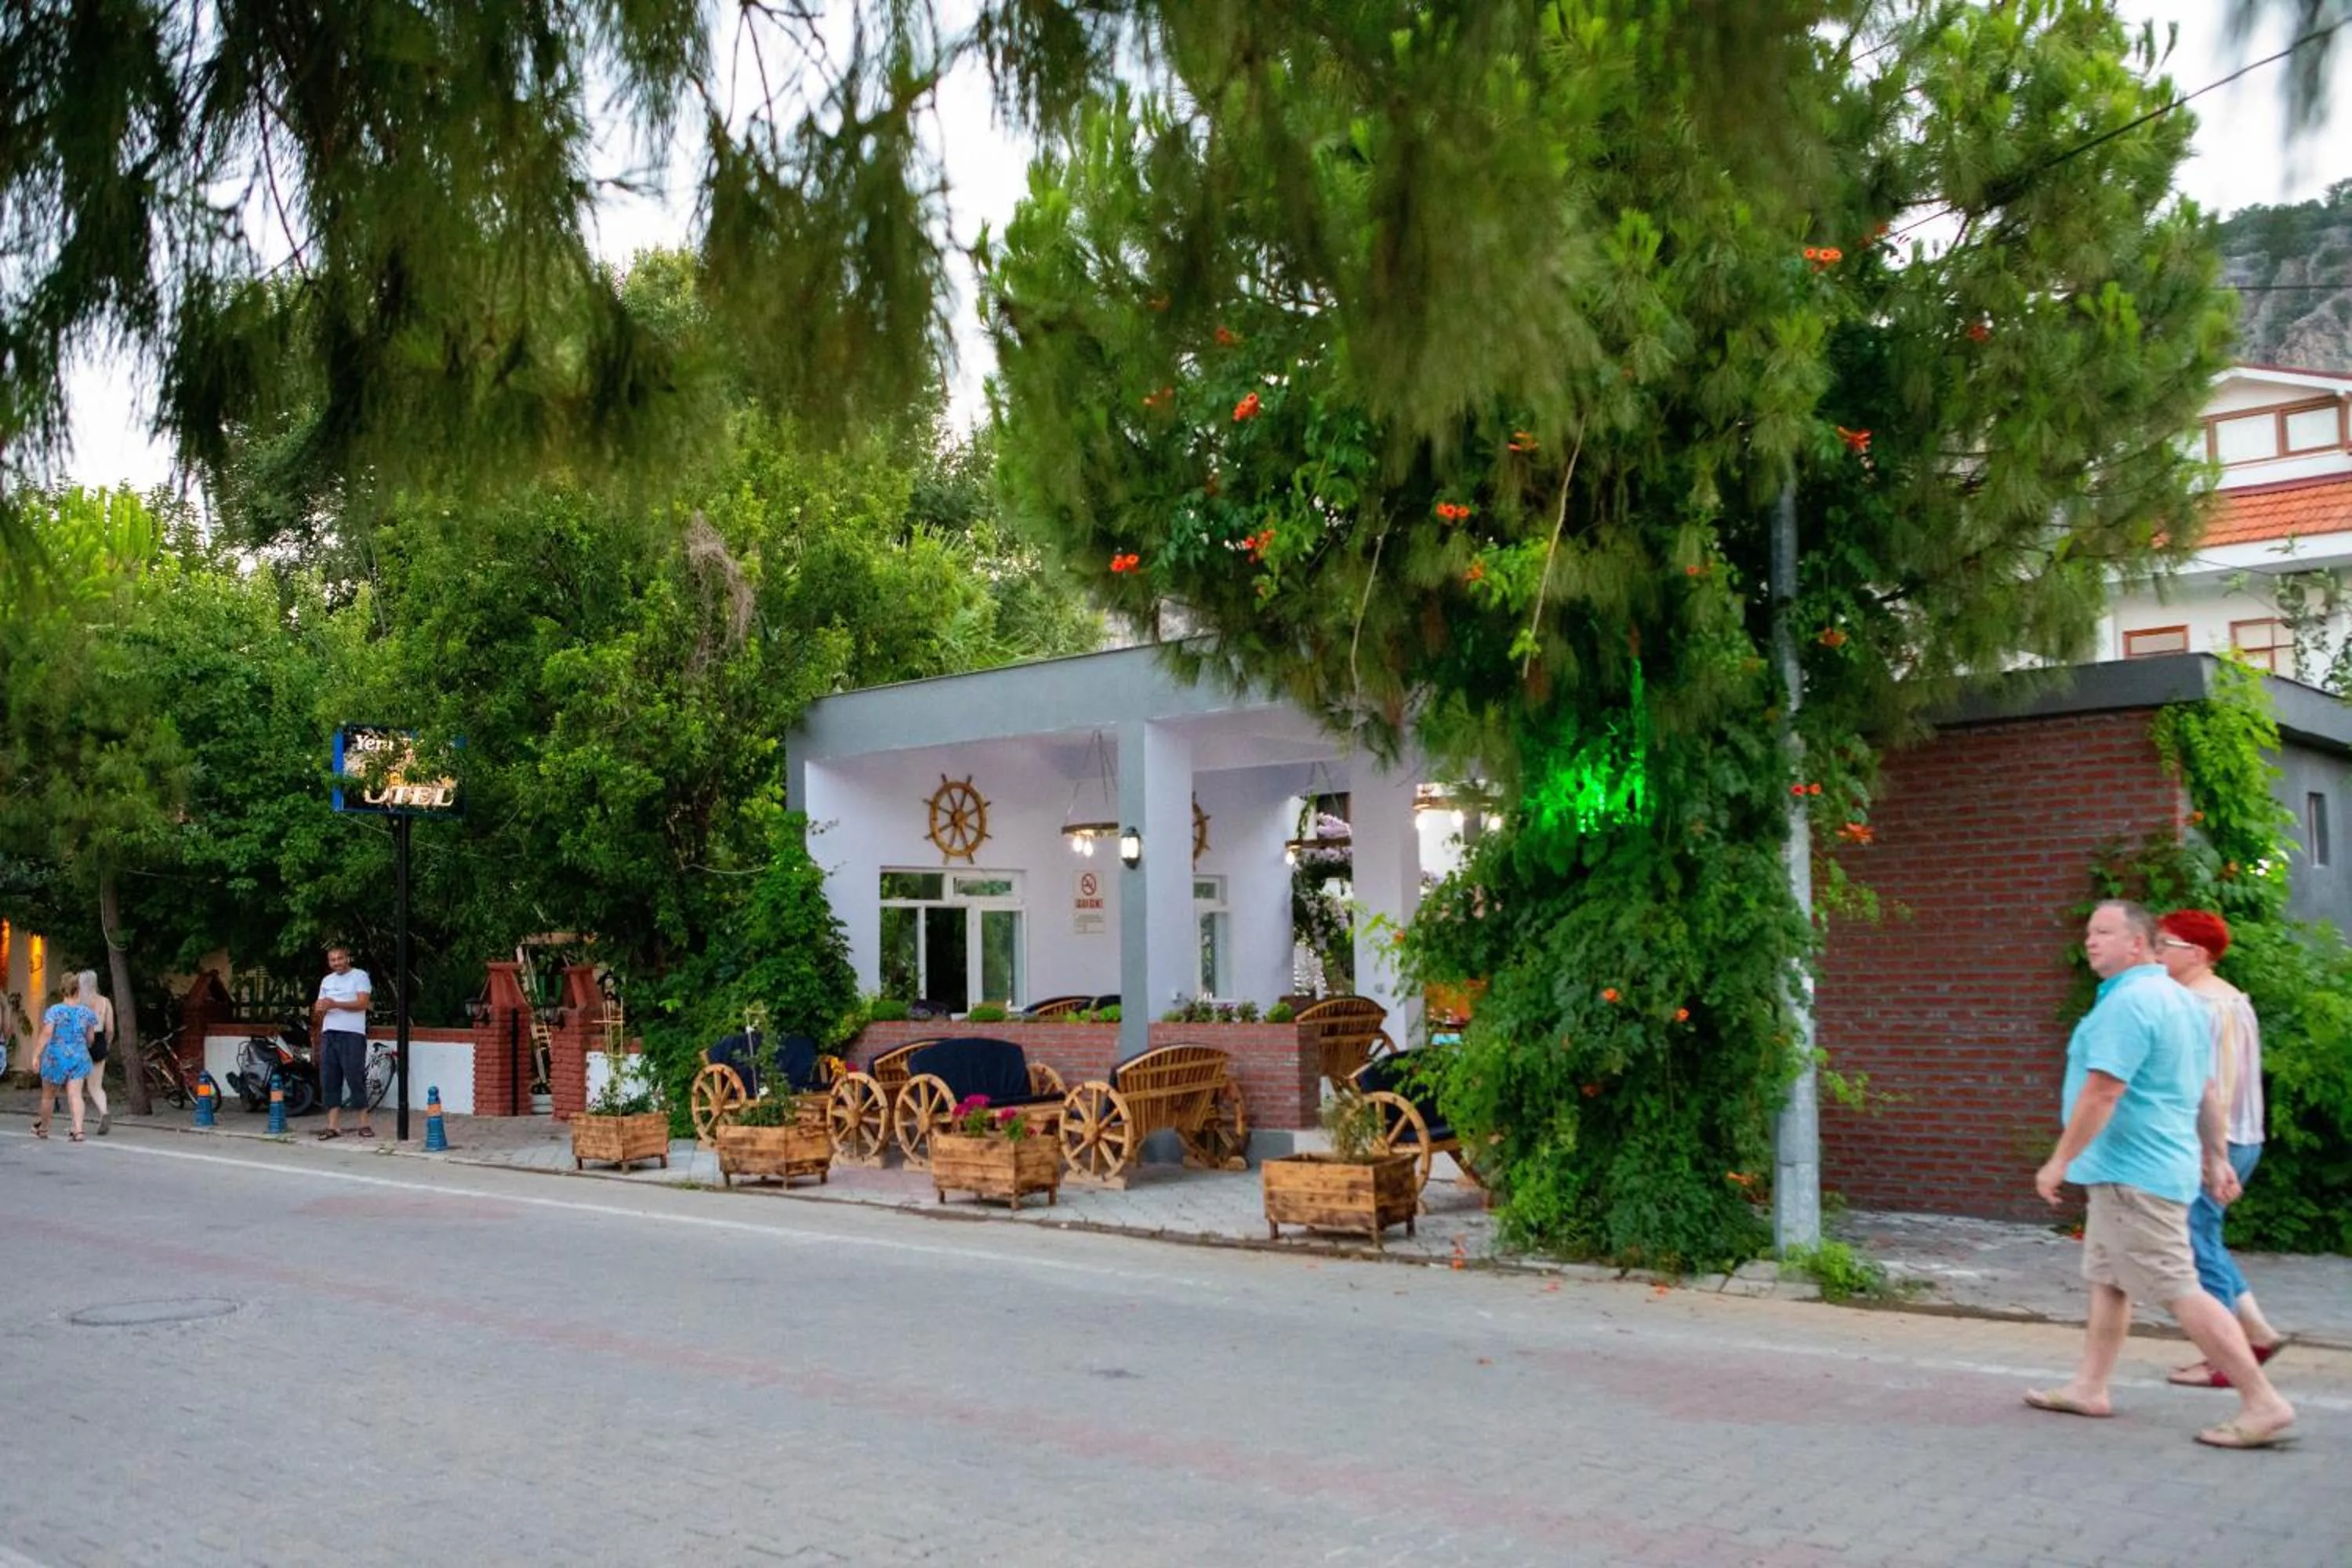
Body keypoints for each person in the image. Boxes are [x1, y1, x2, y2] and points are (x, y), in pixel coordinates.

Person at [2025, 899, 2294, 1449]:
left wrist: (2060, 1160)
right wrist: (2216, 1157)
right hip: (2145, 1169)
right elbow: (2207, 1090)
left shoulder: (2131, 1004)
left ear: (2138, 945)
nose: (2090, 941)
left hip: (2135, 1174)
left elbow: (2104, 1091)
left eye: (2104, 932)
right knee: (2109, 1279)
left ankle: (2262, 1401)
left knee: (2179, 1287)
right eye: (2089, 932)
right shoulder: (2182, 1001)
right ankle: (2090, 1387)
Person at [2154, 909, 2285, 1387]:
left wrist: (2213, 1153)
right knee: (2203, 1238)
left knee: (2195, 1244)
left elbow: (2213, 1086)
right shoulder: (2230, 999)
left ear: (2199, 953)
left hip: (2215, 1140)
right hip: (2240, 1136)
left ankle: (2226, 1358)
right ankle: (2256, 1330)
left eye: (2166, 943)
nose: (2157, 952)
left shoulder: (2201, 1005)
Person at [312, 946, 376, 1141]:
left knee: (354, 1076)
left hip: (352, 1034)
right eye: (333, 960)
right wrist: (319, 1009)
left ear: (347, 958)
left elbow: (363, 1004)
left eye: (340, 958)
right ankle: (333, 1126)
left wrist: (336, 1004)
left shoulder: (359, 976)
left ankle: (364, 1123)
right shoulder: (327, 981)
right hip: (330, 1033)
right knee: (329, 1078)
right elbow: (319, 1006)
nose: (337, 963)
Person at [32, 980, 98, 1142]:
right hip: (79, 1056)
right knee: (76, 1095)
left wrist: (36, 1054)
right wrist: (84, 1046)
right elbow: (91, 1039)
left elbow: (47, 1033)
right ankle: (79, 1130)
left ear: (63, 990)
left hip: (56, 1056)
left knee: (48, 1095)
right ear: (78, 991)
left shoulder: (54, 1011)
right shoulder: (86, 1012)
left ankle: (44, 1129)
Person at [75, 970, 114, 1135]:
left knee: (76, 1088)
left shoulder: (78, 1003)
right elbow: (110, 1029)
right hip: (99, 1041)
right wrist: (107, 1044)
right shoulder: (105, 1002)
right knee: (96, 1086)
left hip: (81, 1042)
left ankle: (76, 1126)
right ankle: (104, 1112)